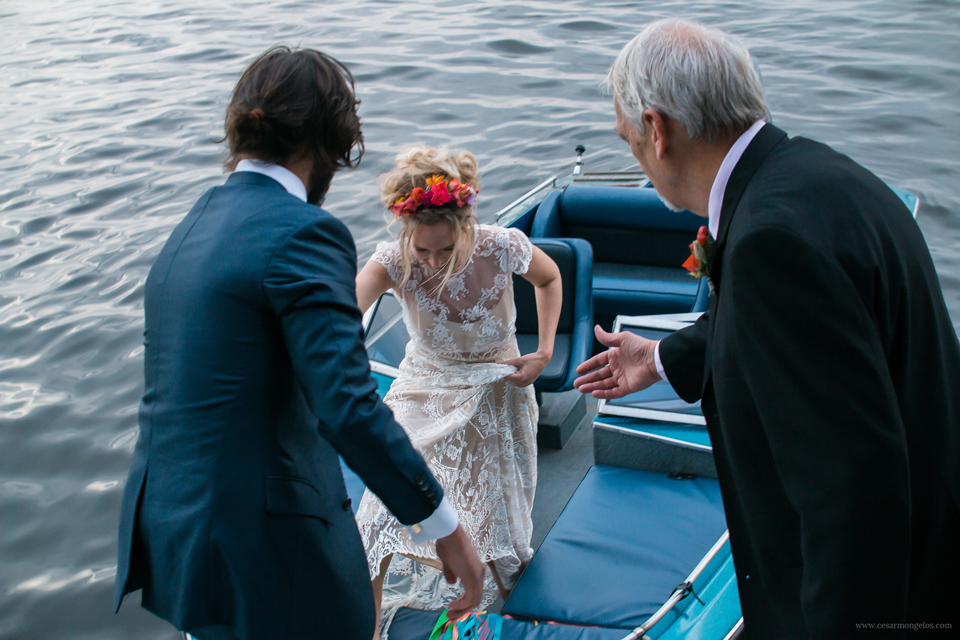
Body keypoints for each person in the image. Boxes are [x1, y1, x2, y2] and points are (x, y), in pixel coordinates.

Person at [574, 19, 960, 639]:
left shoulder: (770, 244)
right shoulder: (814, 175)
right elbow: (815, 333)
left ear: (658, 129)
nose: (640, 163)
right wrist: (666, 357)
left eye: (630, 142)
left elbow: (853, 499)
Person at [113, 47, 485, 640]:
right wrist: (444, 527)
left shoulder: (189, 228)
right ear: (332, 143)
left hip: (176, 535)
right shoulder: (305, 234)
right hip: (264, 549)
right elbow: (347, 406)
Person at [353, 146, 561, 635]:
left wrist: (545, 352)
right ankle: (364, 629)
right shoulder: (393, 260)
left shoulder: (501, 245)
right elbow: (340, 313)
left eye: (445, 249)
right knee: (378, 513)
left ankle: (489, 613)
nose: (431, 261)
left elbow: (549, 277)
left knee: (491, 519)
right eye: (421, 250)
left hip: (497, 386)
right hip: (424, 386)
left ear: (466, 225)